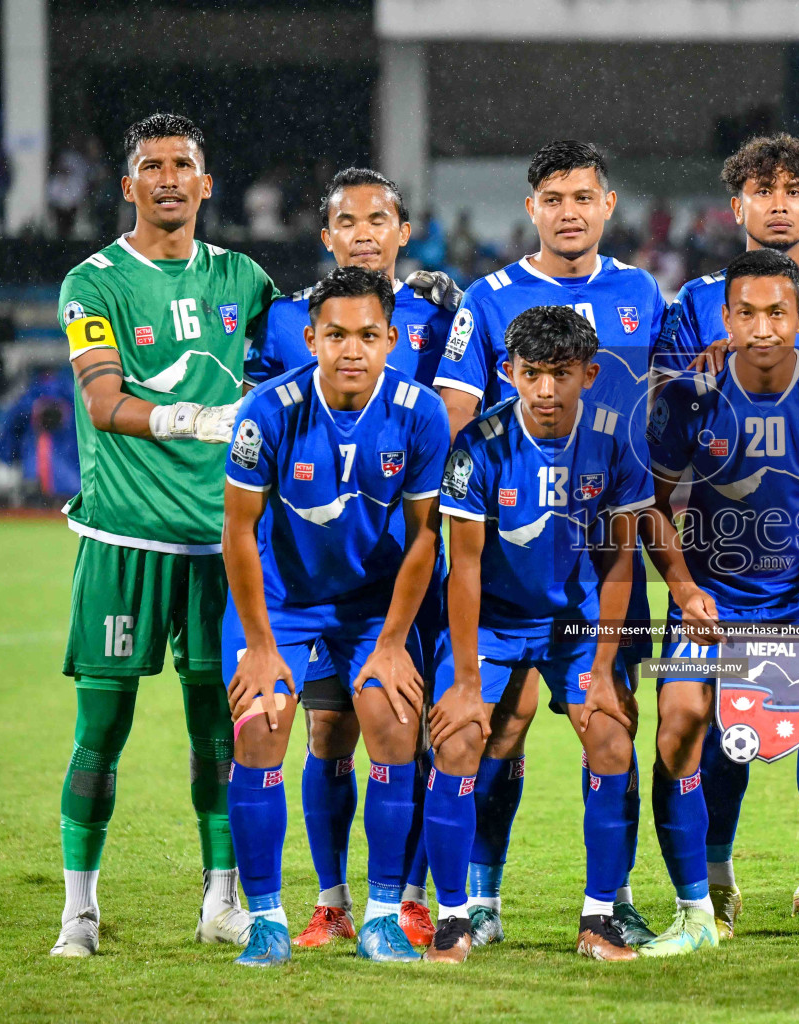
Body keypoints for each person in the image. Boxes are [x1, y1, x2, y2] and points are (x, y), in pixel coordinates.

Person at [51, 113, 280, 958]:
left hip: (221, 548)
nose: (171, 179)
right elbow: (103, 403)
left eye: (185, 163)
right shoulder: (95, 281)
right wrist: (196, 414)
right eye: (153, 166)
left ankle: (221, 901)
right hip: (123, 543)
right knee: (101, 731)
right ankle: (79, 910)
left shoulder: (246, 279)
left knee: (218, 735)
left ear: (207, 183)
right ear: (129, 185)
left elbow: (313, 356)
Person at [430, 140, 666, 947]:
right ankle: (476, 903)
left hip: (593, 556)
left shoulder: (641, 293)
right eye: (553, 198)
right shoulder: (488, 297)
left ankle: (611, 901)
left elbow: (646, 432)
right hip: (502, 556)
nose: (569, 211)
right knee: (494, 730)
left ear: (607, 205)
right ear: (532, 209)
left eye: (584, 197)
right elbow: (456, 422)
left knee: (612, 719)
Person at [653, 134, 799, 933]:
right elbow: (662, 431)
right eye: (763, 188)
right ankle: (709, 884)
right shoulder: (691, 305)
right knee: (708, 734)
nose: (780, 202)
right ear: (738, 204)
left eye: (795, 189)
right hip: (721, 566)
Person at [244, 166, 462, 950]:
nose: (365, 231)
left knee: (408, 724)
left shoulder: (441, 315)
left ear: (405, 232)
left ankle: (404, 899)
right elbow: (264, 432)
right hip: (308, 562)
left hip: (405, 562)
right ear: (327, 236)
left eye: (381, 219)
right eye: (349, 220)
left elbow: (457, 419)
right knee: (326, 732)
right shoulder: (283, 325)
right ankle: (333, 901)